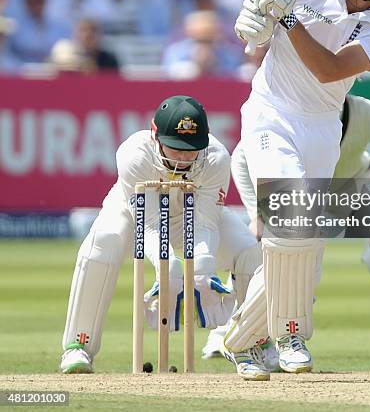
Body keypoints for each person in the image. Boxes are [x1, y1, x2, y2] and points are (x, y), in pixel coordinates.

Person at [223, 0, 370, 381]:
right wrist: (254, 17)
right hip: (270, 113)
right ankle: (291, 335)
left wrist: (286, 20)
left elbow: (330, 71)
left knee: (308, 247)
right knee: (292, 224)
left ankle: (242, 339)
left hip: (323, 127)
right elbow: (255, 35)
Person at [205, 95, 370, 363]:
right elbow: (241, 157)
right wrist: (256, 213)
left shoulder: (366, 112)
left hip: (352, 188)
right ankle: (221, 336)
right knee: (258, 249)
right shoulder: (290, 110)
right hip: (303, 193)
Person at [60, 95, 260, 373]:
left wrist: (201, 268)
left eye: (191, 150)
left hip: (188, 216)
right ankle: (78, 345)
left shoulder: (215, 158)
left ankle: (251, 342)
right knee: (101, 243)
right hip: (133, 216)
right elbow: (150, 224)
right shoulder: (133, 154)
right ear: (156, 137)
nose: (183, 160)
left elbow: (205, 224)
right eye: (176, 150)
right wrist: (169, 267)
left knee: (250, 252)